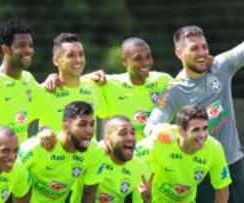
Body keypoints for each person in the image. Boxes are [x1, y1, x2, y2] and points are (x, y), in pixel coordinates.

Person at [144, 25, 244, 203]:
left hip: (234, 162)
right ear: (179, 53)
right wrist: (169, 132)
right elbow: (151, 127)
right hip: (201, 169)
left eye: (204, 47)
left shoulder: (220, 67)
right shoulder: (174, 90)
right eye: (194, 48)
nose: (202, 52)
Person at [136, 105, 231, 202]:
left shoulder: (214, 148)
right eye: (196, 130)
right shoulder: (160, 141)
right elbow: (128, 157)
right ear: (181, 131)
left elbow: (223, 189)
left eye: (205, 128)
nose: (202, 135)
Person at [19, 101, 104, 202]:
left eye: (92, 124)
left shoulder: (95, 151)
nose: (89, 130)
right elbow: (9, 176)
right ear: (65, 127)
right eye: (82, 124)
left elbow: (89, 193)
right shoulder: (39, 145)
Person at [32, 33, 108, 132]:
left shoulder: (94, 86)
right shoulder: (45, 91)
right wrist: (43, 133)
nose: (78, 60)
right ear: (56, 61)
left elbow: (108, 116)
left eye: (81, 54)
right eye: (71, 55)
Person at [101, 37, 172, 141]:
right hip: (123, 154)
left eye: (148, 57)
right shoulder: (108, 84)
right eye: (138, 59)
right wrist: (92, 76)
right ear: (124, 61)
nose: (145, 63)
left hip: (157, 153)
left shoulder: (164, 80)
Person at [0, 18, 41, 143]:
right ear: (5, 49)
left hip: (19, 160)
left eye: (30, 45)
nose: (29, 50)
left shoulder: (28, 79)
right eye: (21, 45)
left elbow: (48, 98)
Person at [93, 115, 153, 203]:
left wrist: (147, 201)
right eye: (123, 133)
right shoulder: (92, 155)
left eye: (133, 133)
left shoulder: (141, 169)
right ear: (107, 139)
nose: (131, 138)